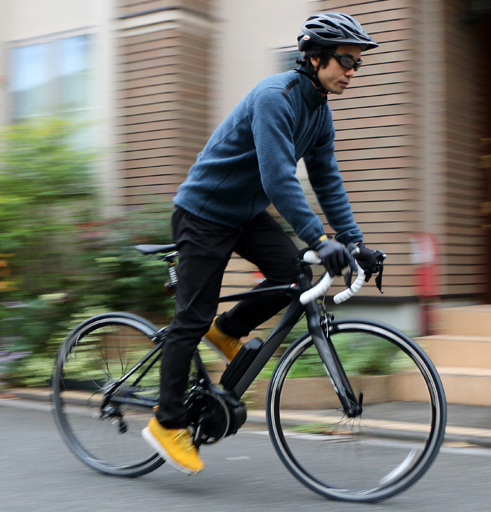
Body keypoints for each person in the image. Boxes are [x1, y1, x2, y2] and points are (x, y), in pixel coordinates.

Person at [141, 12, 382, 475]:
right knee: (190, 318)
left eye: (357, 64)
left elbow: (328, 180)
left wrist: (353, 242)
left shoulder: (319, 112)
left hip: (246, 214)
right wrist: (317, 236)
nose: (352, 71)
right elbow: (277, 178)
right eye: (345, 61)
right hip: (204, 213)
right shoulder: (277, 97)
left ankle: (228, 330)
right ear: (314, 58)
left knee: (293, 273)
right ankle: (166, 421)